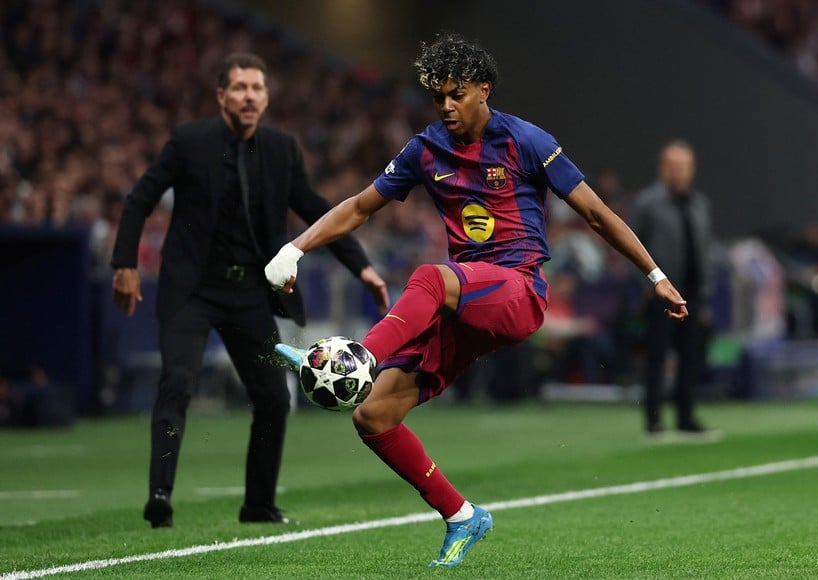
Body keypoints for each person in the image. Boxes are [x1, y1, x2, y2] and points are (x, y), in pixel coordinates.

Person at [264, 33, 687, 567]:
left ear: (483, 89)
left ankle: (358, 359)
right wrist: (295, 248)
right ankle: (462, 515)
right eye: (437, 97)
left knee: (430, 277)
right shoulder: (425, 150)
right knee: (373, 415)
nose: (446, 107)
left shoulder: (526, 140)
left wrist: (655, 275)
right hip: (465, 304)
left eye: (456, 94)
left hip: (518, 290)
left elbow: (597, 214)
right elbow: (359, 207)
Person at [110, 52, 390, 529]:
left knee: (274, 397)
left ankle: (258, 505)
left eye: (256, 88)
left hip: (248, 298)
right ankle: (160, 496)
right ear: (221, 95)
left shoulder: (281, 149)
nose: (248, 96)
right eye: (239, 88)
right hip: (191, 293)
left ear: (266, 97)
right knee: (177, 383)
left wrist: (361, 266)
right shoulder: (188, 141)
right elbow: (140, 199)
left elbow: (315, 207)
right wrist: (124, 263)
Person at [631, 140, 714, 436]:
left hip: (692, 293)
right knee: (657, 356)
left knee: (691, 357)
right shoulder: (647, 203)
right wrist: (645, 285)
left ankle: (686, 417)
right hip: (661, 293)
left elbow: (705, 248)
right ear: (663, 168)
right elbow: (631, 246)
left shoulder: (699, 203)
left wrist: (705, 290)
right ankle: (653, 420)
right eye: (674, 166)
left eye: (684, 166)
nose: (679, 172)